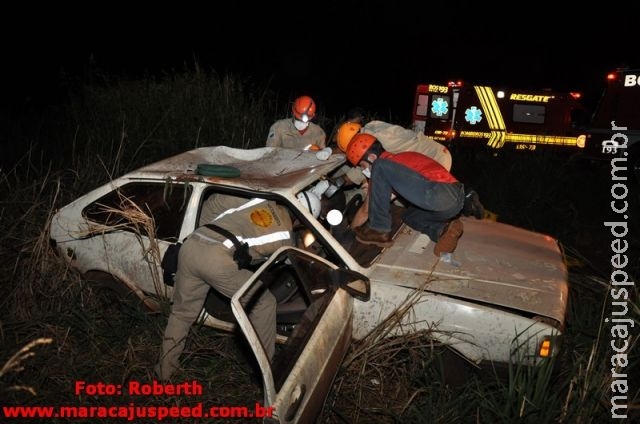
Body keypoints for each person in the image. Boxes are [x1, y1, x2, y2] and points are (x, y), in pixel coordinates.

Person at [155, 194, 294, 382]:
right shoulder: (288, 238)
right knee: (264, 302)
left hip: (192, 245)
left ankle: (165, 372)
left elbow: (214, 202)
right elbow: (274, 264)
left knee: (181, 314)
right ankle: (266, 373)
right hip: (218, 260)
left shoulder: (260, 200)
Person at [346, 133, 465, 257]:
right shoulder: (399, 163)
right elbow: (381, 200)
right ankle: (442, 231)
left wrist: (350, 232)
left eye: (362, 166)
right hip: (452, 203)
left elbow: (366, 210)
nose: (363, 170)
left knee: (379, 166)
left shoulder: (384, 166)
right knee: (409, 216)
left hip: (440, 192)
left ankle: (379, 230)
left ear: (371, 157)